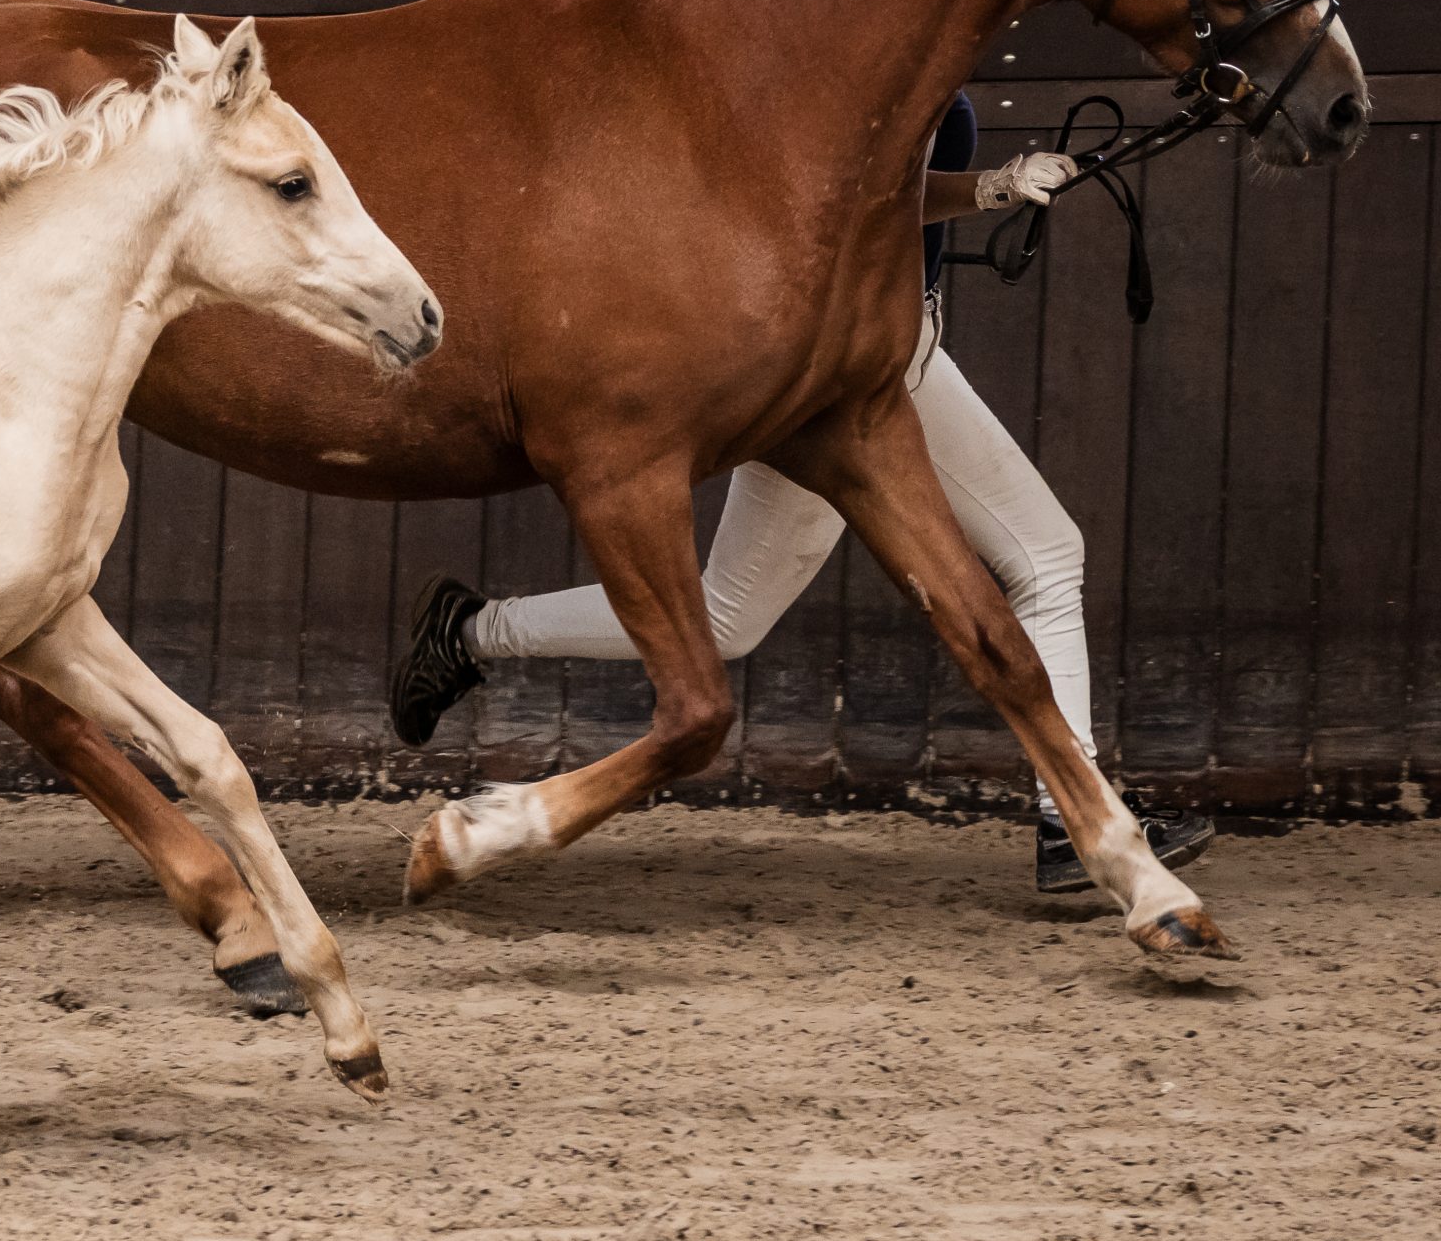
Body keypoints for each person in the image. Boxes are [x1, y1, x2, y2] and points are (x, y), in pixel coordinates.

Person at [389, 92, 1214, 894]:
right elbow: (852, 203)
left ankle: (467, 633)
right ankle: (1072, 818)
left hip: (881, 348)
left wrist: (994, 185)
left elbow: (880, 200)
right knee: (1042, 552)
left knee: (727, 618)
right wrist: (989, 187)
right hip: (859, 366)